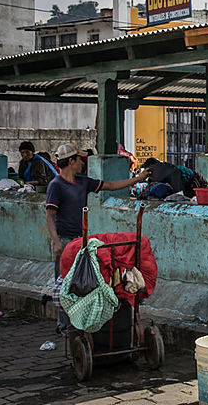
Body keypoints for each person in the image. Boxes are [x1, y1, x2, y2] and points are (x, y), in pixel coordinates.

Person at [45, 143, 150, 334]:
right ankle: (64, 326)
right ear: (71, 161)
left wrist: (137, 179)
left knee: (82, 283)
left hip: (80, 240)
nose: (82, 164)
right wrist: (56, 241)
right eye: (79, 160)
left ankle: (82, 320)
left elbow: (109, 185)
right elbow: (50, 215)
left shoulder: (83, 182)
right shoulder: (56, 185)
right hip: (65, 240)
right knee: (64, 285)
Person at [140, 157, 207, 199]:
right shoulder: (155, 175)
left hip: (192, 181)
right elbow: (150, 185)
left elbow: (178, 190)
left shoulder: (170, 172)